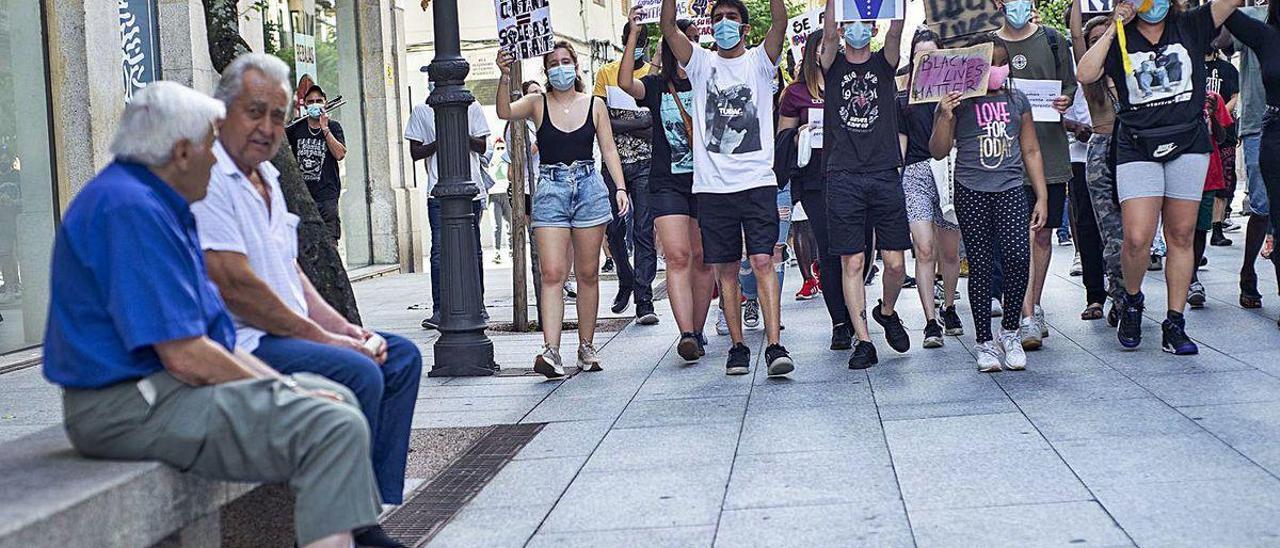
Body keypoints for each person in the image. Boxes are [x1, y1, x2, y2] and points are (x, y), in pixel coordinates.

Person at [45, 81, 384, 548]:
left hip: (157, 390)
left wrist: (287, 389)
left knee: (334, 399)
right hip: (127, 406)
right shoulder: (129, 209)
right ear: (182, 152)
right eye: (211, 143)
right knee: (330, 424)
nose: (217, 157)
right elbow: (186, 356)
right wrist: (283, 390)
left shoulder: (153, 199)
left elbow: (202, 347)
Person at [193, 55, 422, 536]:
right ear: (224, 112)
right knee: (359, 370)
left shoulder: (269, 177)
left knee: (400, 357)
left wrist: (345, 328)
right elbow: (237, 289)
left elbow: (291, 273)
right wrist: (328, 341)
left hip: (295, 330)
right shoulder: (210, 179)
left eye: (278, 115)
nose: (267, 127)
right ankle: (360, 528)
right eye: (254, 112)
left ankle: (365, 511)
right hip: (252, 341)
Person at [1077, 0, 1243, 354]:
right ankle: (1132, 301)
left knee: (1180, 234)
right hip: (1137, 145)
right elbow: (1086, 73)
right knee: (1136, 237)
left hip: (1188, 142)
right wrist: (1115, 25)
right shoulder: (1120, 33)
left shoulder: (1192, 24)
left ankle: (1175, 322)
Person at [660, 0, 796, 377]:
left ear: (745, 28)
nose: (723, 24)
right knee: (726, 271)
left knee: (763, 260)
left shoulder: (759, 62)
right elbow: (669, 28)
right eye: (717, 18)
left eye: (732, 18)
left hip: (757, 182)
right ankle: (737, 346)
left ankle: (773, 345)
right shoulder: (701, 63)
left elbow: (780, 23)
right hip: (713, 188)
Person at [496, 42, 631, 378]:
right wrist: (503, 76)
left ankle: (586, 346)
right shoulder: (537, 102)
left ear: (576, 66)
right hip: (551, 189)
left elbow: (609, 149)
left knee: (588, 273)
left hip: (588, 187)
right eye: (554, 63)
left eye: (566, 61)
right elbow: (503, 112)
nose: (560, 68)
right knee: (553, 273)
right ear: (546, 70)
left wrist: (620, 187)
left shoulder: (594, 105)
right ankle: (551, 351)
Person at [931, 34, 1049, 372]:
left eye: (1002, 62)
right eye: (989, 63)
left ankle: (1010, 332)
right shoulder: (960, 101)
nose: (996, 69)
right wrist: (943, 115)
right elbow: (938, 150)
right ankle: (984, 342)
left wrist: (1041, 195)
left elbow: (1030, 150)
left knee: (1016, 257)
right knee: (981, 266)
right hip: (971, 189)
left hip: (1011, 188)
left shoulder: (1018, 100)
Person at [617, 13, 715, 360]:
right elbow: (626, 82)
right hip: (666, 183)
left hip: (707, 182)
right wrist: (634, 36)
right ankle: (686, 333)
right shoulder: (658, 85)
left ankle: (699, 330)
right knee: (677, 256)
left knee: (704, 259)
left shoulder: (709, 79)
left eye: (693, 39)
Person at [819, 0, 909, 369]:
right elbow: (825, 33)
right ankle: (864, 340)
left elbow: (898, 28)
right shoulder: (832, 63)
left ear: (872, 29)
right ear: (842, 29)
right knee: (852, 260)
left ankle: (886, 311)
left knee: (895, 262)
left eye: (864, 23)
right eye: (849, 22)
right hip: (842, 175)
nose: (857, 29)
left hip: (884, 171)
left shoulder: (883, 63)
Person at [997, 0, 1078, 351]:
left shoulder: (1054, 40)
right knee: (1016, 238)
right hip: (1004, 158)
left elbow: (1071, 86)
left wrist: (1064, 100)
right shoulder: (988, 45)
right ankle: (1024, 313)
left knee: (1042, 235)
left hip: (1050, 153)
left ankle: (1035, 304)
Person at [777, 28, 853, 349]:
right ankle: (839, 321)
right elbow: (782, 140)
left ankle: (855, 313)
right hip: (814, 182)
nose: (833, 50)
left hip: (850, 178)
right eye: (826, 46)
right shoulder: (795, 94)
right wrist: (799, 135)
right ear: (813, 51)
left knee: (854, 252)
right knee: (830, 249)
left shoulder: (849, 85)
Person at [405, 77, 491, 330]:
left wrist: (457, 129)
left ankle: (478, 304)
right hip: (438, 191)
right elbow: (415, 152)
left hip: (470, 190)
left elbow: (481, 144)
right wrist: (442, 136)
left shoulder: (472, 107)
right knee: (439, 253)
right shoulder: (421, 111)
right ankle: (440, 308)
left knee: (473, 250)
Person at [897, 28, 965, 346]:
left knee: (949, 252)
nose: (926, 61)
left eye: (932, 55)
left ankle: (949, 306)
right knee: (924, 249)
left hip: (949, 169)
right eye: (919, 55)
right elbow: (901, 146)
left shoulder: (957, 95)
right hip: (916, 173)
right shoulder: (903, 98)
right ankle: (930, 321)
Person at [595, 21, 658, 324]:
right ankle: (626, 279)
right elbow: (601, 119)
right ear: (623, 40)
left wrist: (621, 121)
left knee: (644, 231)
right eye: (632, 37)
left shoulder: (654, 75)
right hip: (613, 164)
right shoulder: (607, 73)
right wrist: (640, 121)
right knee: (614, 228)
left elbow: (655, 122)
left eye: (642, 38)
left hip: (648, 163)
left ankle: (644, 300)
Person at [1070, 0, 1127, 326]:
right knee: (1110, 234)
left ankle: (1127, 293)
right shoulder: (1090, 80)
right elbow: (1076, 36)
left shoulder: (1128, 70)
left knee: (1134, 234)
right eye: (1095, 40)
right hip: (1101, 151)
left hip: (1131, 151)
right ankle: (1118, 297)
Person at [1225, 0, 1280, 327]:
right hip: (1270, 130)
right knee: (1266, 209)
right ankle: (1249, 271)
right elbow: (1222, 16)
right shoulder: (1263, 32)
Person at [1231, 2, 1271, 310]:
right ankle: (1248, 271)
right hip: (1261, 124)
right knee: (1262, 204)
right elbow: (1219, 38)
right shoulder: (1253, 17)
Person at [1189, 90, 1236, 308]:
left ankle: (1193, 276)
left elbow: (1222, 136)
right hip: (1182, 172)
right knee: (1181, 229)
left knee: (1200, 229)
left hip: (1208, 172)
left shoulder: (1212, 97)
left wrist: (1211, 112)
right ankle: (1188, 278)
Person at [286, 84, 346, 243]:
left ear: (325, 102)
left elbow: (340, 154)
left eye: (318, 100)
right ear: (305, 104)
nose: (315, 104)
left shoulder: (334, 127)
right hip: (304, 196)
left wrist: (324, 128)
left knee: (330, 243)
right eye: (311, 101)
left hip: (327, 196)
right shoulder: (296, 128)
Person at [1205, 34, 1240, 247]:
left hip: (1224, 132)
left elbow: (1235, 95)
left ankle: (1217, 228)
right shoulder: (1191, 67)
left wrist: (1219, 115)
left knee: (1224, 179)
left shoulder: (1228, 69)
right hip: (1198, 132)